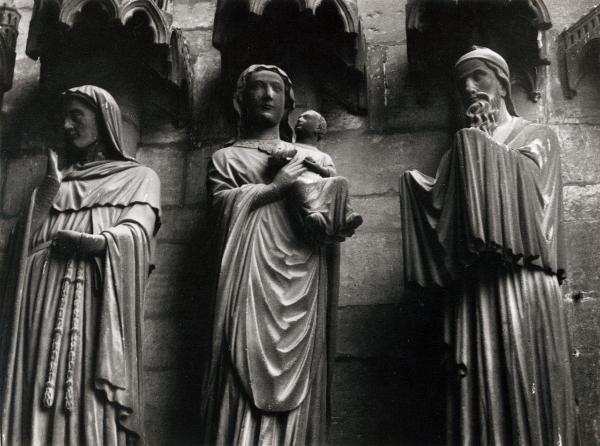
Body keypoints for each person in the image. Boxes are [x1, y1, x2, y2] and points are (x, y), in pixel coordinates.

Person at [400, 47, 580, 445]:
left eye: (478, 76)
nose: (468, 87)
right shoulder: (456, 154)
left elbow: (534, 205)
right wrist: (422, 194)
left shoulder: (537, 137)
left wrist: (480, 148)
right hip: (475, 289)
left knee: (527, 375)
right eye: (461, 81)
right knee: (478, 392)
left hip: (523, 280)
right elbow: (448, 226)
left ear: (503, 82)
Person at [201, 65, 355, 445]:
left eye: (276, 89)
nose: (268, 96)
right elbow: (220, 211)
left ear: (289, 103)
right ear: (241, 100)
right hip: (248, 280)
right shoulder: (228, 159)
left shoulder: (306, 154)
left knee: (301, 379)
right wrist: (274, 188)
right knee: (240, 374)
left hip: (302, 280)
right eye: (258, 88)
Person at [0, 85, 161, 445]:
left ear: (104, 120)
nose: (68, 126)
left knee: (88, 393)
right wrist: (46, 192)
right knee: (37, 390)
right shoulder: (58, 182)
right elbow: (15, 257)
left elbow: (137, 233)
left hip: (96, 301)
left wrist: (97, 244)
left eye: (77, 116)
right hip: (41, 304)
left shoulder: (138, 178)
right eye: (64, 118)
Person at [263, 109, 362, 245]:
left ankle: (346, 215)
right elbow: (273, 160)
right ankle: (314, 217)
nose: (300, 119)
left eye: (306, 118)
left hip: (320, 185)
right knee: (298, 184)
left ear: (318, 128)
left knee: (341, 181)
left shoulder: (323, 156)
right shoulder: (287, 146)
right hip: (298, 181)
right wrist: (282, 157)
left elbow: (331, 173)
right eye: (299, 118)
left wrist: (317, 167)